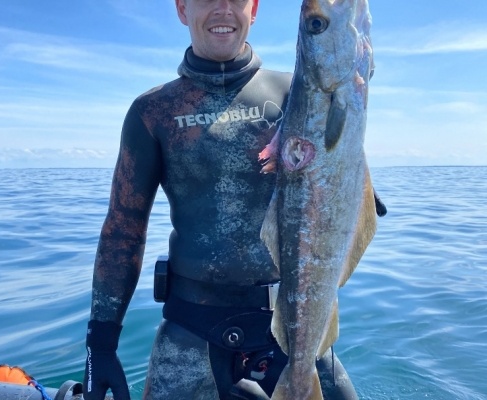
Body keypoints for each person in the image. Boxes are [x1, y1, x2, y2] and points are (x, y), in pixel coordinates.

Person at [83, 0, 378, 399]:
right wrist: (100, 344)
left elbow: (337, 180)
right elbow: (123, 231)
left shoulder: (299, 93)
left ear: (253, 9)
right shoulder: (152, 112)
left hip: (297, 324)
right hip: (191, 326)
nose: (223, 9)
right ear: (182, 9)